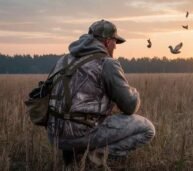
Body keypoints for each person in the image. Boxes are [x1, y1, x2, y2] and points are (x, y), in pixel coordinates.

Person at [46, 19, 155, 168]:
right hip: (80, 135)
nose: (116, 46)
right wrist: (134, 92)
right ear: (107, 42)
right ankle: (95, 157)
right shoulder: (107, 63)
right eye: (115, 41)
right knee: (147, 129)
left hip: (55, 136)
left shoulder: (63, 60)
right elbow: (130, 106)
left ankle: (73, 155)